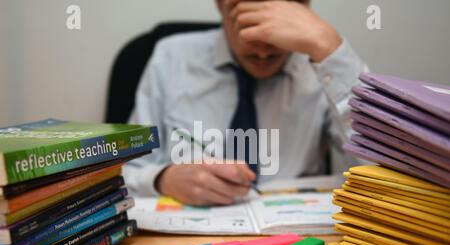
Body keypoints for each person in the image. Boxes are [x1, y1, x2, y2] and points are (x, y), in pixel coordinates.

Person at [124, 0, 368, 206]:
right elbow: (120, 176)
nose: (263, 52)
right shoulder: (171, 58)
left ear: (303, 8)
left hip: (296, 242)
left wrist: (330, 49)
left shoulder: (325, 67)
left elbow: (385, 176)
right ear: (221, 4)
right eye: (246, 24)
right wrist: (162, 179)